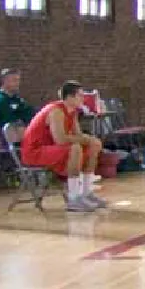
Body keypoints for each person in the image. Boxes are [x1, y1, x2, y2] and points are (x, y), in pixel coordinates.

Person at [21, 81, 108, 212]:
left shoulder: (72, 112)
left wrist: (90, 140)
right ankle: (73, 198)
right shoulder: (56, 111)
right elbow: (60, 139)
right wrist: (85, 139)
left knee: (93, 145)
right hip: (35, 151)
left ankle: (86, 193)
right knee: (75, 147)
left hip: (51, 148)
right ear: (69, 97)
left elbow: (78, 134)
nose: (83, 99)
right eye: (80, 95)